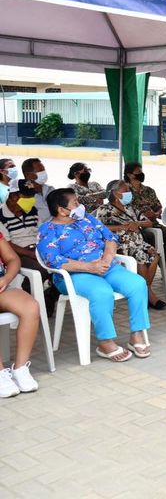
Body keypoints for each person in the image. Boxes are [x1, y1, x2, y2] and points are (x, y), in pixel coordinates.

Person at [38, 188, 151, 362]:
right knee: (102, 292)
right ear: (61, 210)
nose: (80, 205)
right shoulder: (48, 229)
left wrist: (106, 259)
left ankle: (136, 334)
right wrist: (90, 267)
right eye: (75, 203)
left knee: (137, 284)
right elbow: (52, 260)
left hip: (106, 267)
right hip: (74, 274)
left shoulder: (87, 219)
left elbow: (110, 238)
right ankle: (105, 342)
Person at [94, 180, 166, 310]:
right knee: (141, 257)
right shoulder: (104, 209)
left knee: (155, 255)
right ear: (116, 194)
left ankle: (146, 290)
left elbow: (149, 222)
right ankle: (148, 294)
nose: (129, 193)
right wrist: (121, 227)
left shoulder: (130, 208)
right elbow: (99, 228)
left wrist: (137, 223)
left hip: (138, 242)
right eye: (126, 191)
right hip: (121, 245)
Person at [0, 180, 59, 317]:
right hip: (19, 253)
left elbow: (41, 233)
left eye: (32, 196)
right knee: (40, 270)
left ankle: (50, 296)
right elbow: (8, 245)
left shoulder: (32, 210)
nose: (31, 200)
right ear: (13, 196)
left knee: (63, 267)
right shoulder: (1, 215)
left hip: (37, 248)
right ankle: (28, 293)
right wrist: (31, 254)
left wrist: (44, 249)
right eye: (27, 196)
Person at [0, 229, 40, 397]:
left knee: (30, 307)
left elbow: (13, 259)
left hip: (2, 288)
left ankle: (20, 368)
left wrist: (6, 278)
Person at [124, 162, 166, 273]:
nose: (141, 174)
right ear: (129, 175)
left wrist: (155, 214)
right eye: (138, 172)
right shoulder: (125, 191)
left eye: (141, 171)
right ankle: (164, 269)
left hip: (153, 223)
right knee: (151, 238)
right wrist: (143, 216)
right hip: (138, 225)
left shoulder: (149, 190)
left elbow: (158, 206)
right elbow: (126, 210)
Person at [21, 158, 53, 222]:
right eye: (40, 171)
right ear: (28, 174)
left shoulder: (50, 189)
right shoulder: (21, 195)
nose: (44, 173)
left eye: (44, 170)